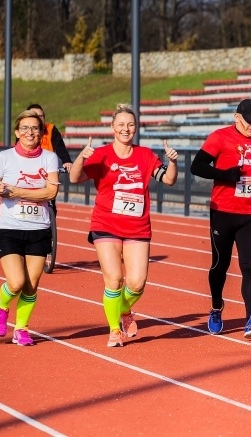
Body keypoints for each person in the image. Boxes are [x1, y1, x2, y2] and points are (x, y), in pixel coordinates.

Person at [69, 103, 178, 347]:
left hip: (137, 227)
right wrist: (80, 157)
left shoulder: (146, 155)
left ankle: (123, 309)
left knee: (137, 283)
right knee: (114, 279)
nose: (126, 129)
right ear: (112, 128)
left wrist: (173, 162)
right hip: (105, 222)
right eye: (121, 124)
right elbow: (75, 178)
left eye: (130, 124)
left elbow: (169, 179)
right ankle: (114, 330)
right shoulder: (101, 155)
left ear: (136, 128)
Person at [190, 99, 251, 339]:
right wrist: (224, 175)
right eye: (249, 123)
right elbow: (197, 166)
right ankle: (216, 308)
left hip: (250, 214)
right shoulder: (219, 137)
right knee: (220, 265)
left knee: (250, 267)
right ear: (237, 118)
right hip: (223, 212)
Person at [0, 109, 60, 346]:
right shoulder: (4, 157)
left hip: (39, 229)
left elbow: (51, 191)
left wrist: (16, 191)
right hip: (9, 228)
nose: (30, 132)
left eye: (35, 129)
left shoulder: (49, 158)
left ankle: (21, 329)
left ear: (41, 133)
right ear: (17, 133)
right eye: (25, 128)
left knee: (32, 284)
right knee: (16, 282)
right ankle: (2, 306)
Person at [26, 104, 72, 171]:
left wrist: (66, 160)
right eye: (35, 116)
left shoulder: (51, 129)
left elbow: (59, 146)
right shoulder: (23, 131)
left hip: (48, 169)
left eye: (41, 116)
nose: (38, 118)